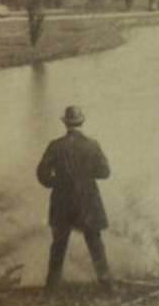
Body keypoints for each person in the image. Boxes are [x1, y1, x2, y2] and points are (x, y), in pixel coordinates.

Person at [35, 105, 113, 295]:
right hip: (88, 201)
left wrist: (56, 183)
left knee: (59, 245)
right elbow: (105, 172)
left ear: (66, 123)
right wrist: (86, 175)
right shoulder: (92, 145)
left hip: (62, 202)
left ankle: (51, 290)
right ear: (81, 122)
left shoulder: (55, 146)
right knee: (95, 243)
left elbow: (42, 173)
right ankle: (107, 287)